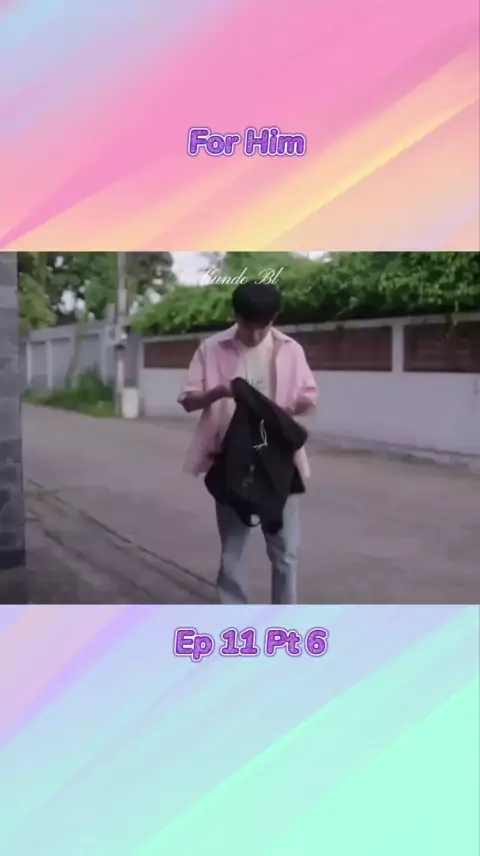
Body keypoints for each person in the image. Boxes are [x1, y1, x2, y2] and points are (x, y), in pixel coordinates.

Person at [178, 280, 318, 604]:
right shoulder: (211, 348)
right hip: (231, 460)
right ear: (236, 316)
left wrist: (291, 407)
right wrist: (219, 391)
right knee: (232, 552)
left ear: (274, 318)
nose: (254, 335)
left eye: (262, 327)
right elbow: (188, 400)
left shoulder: (290, 349)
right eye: (247, 326)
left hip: (279, 461)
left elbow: (309, 398)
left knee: (286, 552)